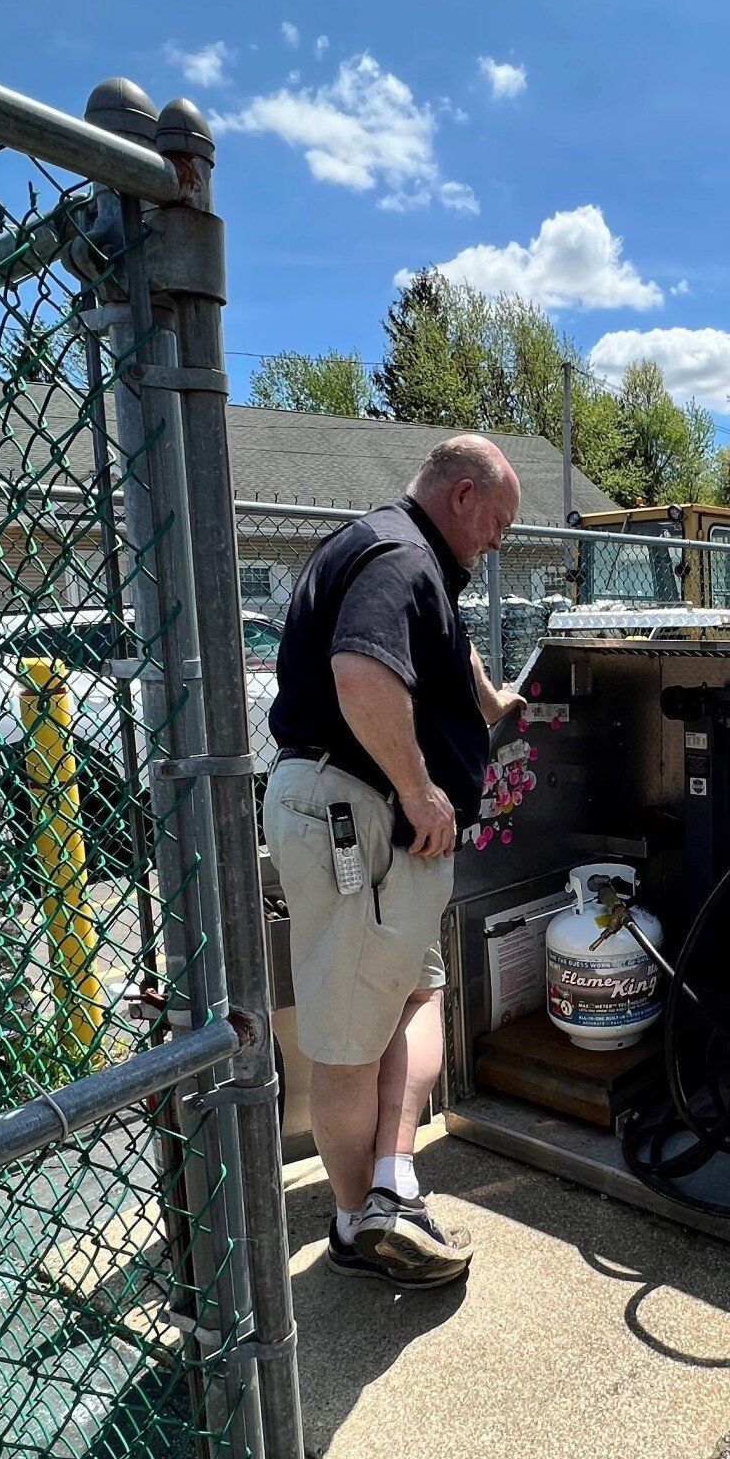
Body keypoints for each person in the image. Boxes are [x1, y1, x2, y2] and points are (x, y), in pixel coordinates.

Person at [263, 436, 523, 1284]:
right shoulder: (401, 558)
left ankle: (391, 1181)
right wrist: (419, 791)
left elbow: (443, 648)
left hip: (386, 834)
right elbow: (363, 673)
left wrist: (491, 703)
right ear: (460, 495)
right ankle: (354, 1228)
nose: (498, 541)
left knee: (419, 993)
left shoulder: (411, 560)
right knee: (347, 1039)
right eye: (497, 523)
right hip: (366, 817)